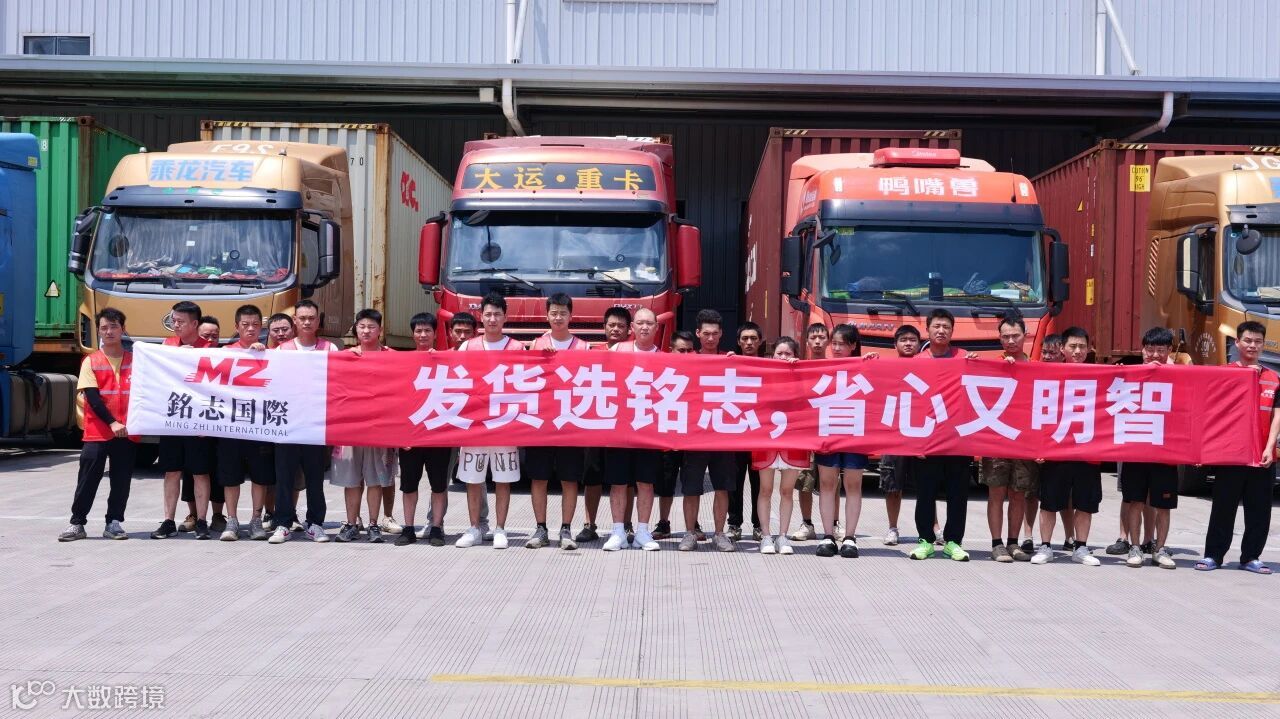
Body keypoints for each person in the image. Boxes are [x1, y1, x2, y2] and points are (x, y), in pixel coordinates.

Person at [1197, 320, 1279, 575]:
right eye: (1248, 340)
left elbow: (1277, 416)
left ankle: (1251, 557)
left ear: (1263, 345)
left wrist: (1270, 447)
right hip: (1231, 455)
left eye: (1258, 342)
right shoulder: (1225, 373)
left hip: (1262, 455)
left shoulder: (1273, 378)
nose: (1252, 345)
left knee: (1259, 510)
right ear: (1237, 343)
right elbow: (1211, 412)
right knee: (1223, 507)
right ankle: (1213, 555)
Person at [59, 309, 137, 542]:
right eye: (104, 328)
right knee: (88, 478)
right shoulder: (90, 361)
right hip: (98, 431)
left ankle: (114, 522)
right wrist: (112, 422)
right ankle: (77, 523)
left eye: (113, 326)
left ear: (123, 329)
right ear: (98, 331)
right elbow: (93, 398)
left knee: (121, 479)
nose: (109, 331)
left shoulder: (137, 361)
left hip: (127, 431)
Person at [908, 309, 979, 562]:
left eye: (946, 327)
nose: (941, 331)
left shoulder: (964, 358)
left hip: (958, 438)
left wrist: (977, 364)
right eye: (936, 326)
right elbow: (909, 402)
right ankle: (926, 541)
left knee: (958, 494)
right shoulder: (917, 361)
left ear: (952, 331)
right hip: (927, 438)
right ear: (927, 330)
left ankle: (953, 542)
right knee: (925, 493)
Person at [455, 293, 525, 549]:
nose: (492, 319)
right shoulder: (467, 347)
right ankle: (474, 527)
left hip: (504, 423)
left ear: (505, 317)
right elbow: (456, 381)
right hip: (474, 423)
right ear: (481, 317)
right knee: (473, 478)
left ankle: (500, 528)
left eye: (497, 314)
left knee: (502, 479)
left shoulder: (517, 348)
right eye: (488, 314)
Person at [1031, 326, 1104, 566]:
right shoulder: (1048, 375)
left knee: (1085, 503)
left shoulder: (1101, 376)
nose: (1077, 351)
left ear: (1089, 348)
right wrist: (1038, 447)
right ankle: (1045, 546)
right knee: (1049, 502)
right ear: (1062, 349)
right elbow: (1037, 411)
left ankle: (1081, 547)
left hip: (1088, 452)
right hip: (1056, 450)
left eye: (1082, 346)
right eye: (1072, 346)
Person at [271, 299, 338, 543]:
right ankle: (283, 523)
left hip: (316, 427)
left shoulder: (330, 349)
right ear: (295, 321)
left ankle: (316, 524)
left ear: (318, 321)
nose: (307, 322)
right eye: (302, 318)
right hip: (287, 425)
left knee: (315, 479)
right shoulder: (282, 351)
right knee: (284, 478)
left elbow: (340, 383)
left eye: (311, 318)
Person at [526, 294, 589, 550]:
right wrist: (539, 356)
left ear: (571, 315)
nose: (558, 317)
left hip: (569, 424)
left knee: (569, 479)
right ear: (547, 315)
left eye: (563, 313)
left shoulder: (583, 347)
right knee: (538, 477)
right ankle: (540, 528)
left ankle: (566, 529)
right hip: (541, 423)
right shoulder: (536, 344)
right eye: (554, 313)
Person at [332, 309, 399, 543]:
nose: (366, 331)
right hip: (350, 428)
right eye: (362, 326)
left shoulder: (393, 356)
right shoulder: (345, 356)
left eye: (371, 327)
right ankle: (351, 523)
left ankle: (373, 524)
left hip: (379, 428)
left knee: (375, 478)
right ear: (355, 329)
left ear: (380, 330)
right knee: (351, 478)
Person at [151, 301, 215, 540]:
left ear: (195, 323)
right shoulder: (167, 346)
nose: (175, 325)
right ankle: (168, 520)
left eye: (181, 321)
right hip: (173, 419)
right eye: (173, 321)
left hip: (198, 422)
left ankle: (202, 521)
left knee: (200, 472)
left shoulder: (210, 349)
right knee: (171, 471)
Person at [603, 308, 666, 551]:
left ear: (656, 327)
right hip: (619, 429)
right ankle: (618, 531)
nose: (644, 327)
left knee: (645, 483)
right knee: (618, 482)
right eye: (640, 323)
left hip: (648, 430)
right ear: (632, 328)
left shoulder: (665, 357)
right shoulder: (617, 350)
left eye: (649, 323)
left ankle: (642, 532)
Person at [1116, 327, 1179, 569]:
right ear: (1142, 350)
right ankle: (1134, 547)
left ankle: (1159, 549)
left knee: (1163, 505)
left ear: (1169, 350)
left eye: (1160, 350)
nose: (1154, 355)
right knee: (1135, 501)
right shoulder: (1129, 375)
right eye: (1150, 349)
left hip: (1165, 453)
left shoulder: (1180, 377)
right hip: (1136, 449)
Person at [680, 309, 738, 552]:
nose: (711, 338)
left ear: (721, 333)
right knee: (691, 488)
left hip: (722, 435)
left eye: (715, 333)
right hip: (695, 436)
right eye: (706, 333)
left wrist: (739, 364)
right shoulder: (688, 360)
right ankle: (689, 533)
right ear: (697, 333)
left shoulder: (731, 360)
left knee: (722, 487)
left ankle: (719, 534)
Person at [216, 304, 276, 541]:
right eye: (245, 325)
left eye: (255, 325)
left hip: (259, 426)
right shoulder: (224, 352)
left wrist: (261, 354)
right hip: (230, 426)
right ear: (236, 326)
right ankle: (232, 520)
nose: (251, 329)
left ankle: (256, 520)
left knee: (260, 476)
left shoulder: (271, 354)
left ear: (262, 328)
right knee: (230, 476)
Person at [576, 306, 635, 544]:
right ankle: (589, 524)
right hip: (597, 425)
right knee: (592, 477)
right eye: (612, 325)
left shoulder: (637, 353)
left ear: (629, 329)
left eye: (621, 326)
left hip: (626, 426)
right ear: (604, 327)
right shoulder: (592, 352)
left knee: (626, 479)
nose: (616, 329)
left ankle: (626, 525)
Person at [980, 314, 1037, 562]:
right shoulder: (991, 366)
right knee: (996, 493)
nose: (1011, 341)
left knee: (1018, 493)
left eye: (1015, 336)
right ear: (999, 339)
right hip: (996, 440)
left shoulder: (1037, 367)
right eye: (1006, 337)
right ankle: (997, 543)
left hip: (1024, 442)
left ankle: (1013, 542)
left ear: (1025, 336)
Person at [395, 312, 454, 546]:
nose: (422, 335)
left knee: (439, 485)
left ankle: (437, 528)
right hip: (410, 436)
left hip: (438, 434)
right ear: (412, 334)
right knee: (409, 485)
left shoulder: (445, 360)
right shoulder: (402, 361)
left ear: (435, 333)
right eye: (418, 331)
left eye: (427, 330)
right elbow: (396, 400)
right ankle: (408, 528)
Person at [813, 324, 872, 558]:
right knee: (827, 484)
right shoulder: (823, 368)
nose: (836, 348)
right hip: (828, 431)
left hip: (855, 432)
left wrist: (873, 364)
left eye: (842, 344)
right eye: (834, 344)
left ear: (853, 346)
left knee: (853, 485)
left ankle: (850, 537)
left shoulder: (863, 368)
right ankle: (828, 535)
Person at [752, 337, 807, 555]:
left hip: (792, 440)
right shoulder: (763, 374)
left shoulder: (803, 376)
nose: (783, 357)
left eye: (788, 354)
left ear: (795, 356)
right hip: (766, 439)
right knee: (765, 489)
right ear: (772, 355)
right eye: (779, 353)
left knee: (786, 491)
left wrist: (798, 372)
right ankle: (766, 536)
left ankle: (783, 536)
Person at [177, 316, 227, 534]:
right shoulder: (185, 355)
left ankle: (217, 515)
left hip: (220, 423)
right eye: (206, 335)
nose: (211, 339)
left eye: (215, 335)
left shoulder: (226, 356)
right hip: (192, 424)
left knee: (219, 469)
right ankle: (194, 514)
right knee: (192, 471)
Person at [1021, 333, 1069, 553]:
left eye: (1053, 352)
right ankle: (1028, 536)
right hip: (1035, 442)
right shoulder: (1032, 370)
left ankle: (1070, 537)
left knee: (1065, 495)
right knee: (1030, 493)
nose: (1047, 356)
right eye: (1045, 352)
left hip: (1061, 442)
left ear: (1063, 353)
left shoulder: (1074, 374)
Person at [877, 324, 920, 546]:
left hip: (921, 433)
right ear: (895, 345)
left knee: (926, 486)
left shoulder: (929, 367)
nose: (908, 344)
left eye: (913, 340)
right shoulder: (886, 367)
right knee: (892, 484)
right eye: (903, 340)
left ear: (919, 344)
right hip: (893, 435)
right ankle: (892, 528)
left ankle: (933, 529)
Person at [653, 330, 698, 539]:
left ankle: (694, 523)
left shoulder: (701, 369)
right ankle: (663, 523)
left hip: (692, 438)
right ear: (671, 350)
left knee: (692, 484)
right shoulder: (660, 368)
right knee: (666, 484)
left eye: (690, 350)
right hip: (667, 437)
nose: (686, 354)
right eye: (682, 350)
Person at [791, 322, 830, 541]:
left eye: (821, 338)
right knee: (805, 482)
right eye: (813, 338)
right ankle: (807, 524)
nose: (817, 342)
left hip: (830, 432)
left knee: (831, 482)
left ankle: (834, 524)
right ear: (806, 342)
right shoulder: (799, 367)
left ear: (828, 341)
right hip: (805, 433)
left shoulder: (838, 367)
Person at [730, 321, 765, 541]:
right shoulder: (730, 365)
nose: (749, 342)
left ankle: (759, 525)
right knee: (734, 482)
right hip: (736, 434)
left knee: (759, 484)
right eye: (745, 339)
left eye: (753, 338)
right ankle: (734, 524)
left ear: (760, 341)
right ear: (738, 342)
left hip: (760, 435)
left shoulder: (770, 367)